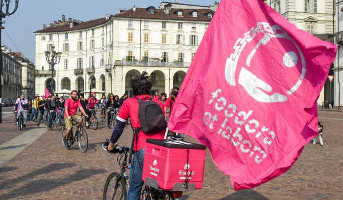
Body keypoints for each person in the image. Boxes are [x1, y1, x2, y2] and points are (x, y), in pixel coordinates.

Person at [108, 72, 165, 200]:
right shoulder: (158, 102)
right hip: (161, 148)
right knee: (157, 186)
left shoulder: (129, 102)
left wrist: (111, 144)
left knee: (134, 188)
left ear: (134, 89)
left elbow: (119, 127)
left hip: (143, 148)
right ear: (148, 89)